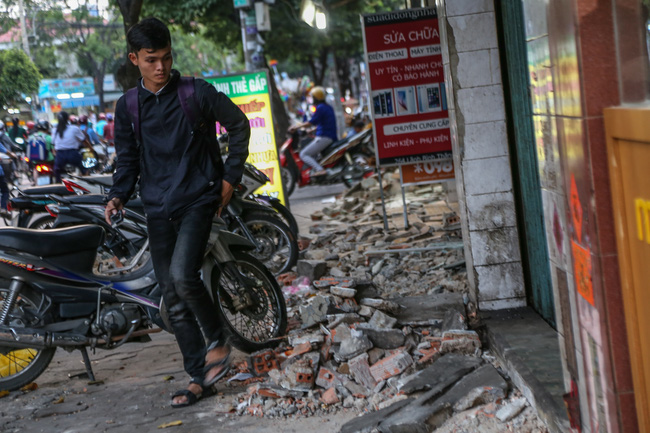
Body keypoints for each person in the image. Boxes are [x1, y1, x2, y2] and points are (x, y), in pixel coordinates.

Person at [103, 17, 250, 409]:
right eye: (151, 59)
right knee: (170, 291)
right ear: (135, 59)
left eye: (166, 57)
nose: (161, 67)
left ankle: (217, 338)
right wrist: (117, 196)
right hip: (157, 206)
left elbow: (238, 125)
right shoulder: (128, 106)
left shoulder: (196, 93)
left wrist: (229, 179)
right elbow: (128, 159)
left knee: (185, 276)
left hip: (199, 199)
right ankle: (199, 377)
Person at [288, 86, 337, 177]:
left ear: (316, 97)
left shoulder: (320, 108)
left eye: (313, 97)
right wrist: (312, 130)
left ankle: (320, 170)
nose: (312, 99)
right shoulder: (327, 107)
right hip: (328, 135)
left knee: (303, 154)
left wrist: (296, 127)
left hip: (324, 137)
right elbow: (323, 123)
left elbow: (311, 122)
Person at [51, 111, 89, 182]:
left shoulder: (54, 130)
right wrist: (91, 148)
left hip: (60, 156)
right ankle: (86, 184)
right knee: (84, 168)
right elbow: (84, 140)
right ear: (67, 119)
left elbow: (53, 143)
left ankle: (58, 185)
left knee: (56, 171)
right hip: (72, 154)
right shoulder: (74, 128)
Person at [0, 121, 18, 216]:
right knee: (5, 191)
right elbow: (7, 150)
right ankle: (3, 208)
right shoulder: (5, 135)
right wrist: (13, 155)